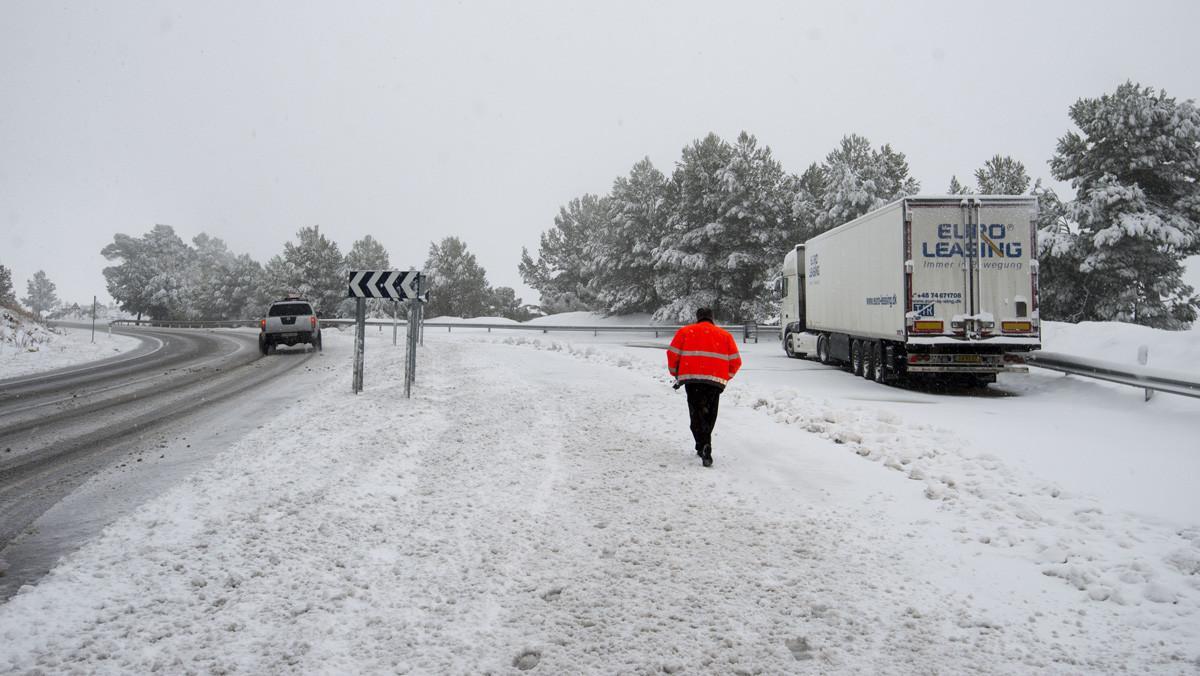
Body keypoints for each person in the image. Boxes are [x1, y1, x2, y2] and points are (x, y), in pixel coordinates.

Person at [666, 307, 742, 467]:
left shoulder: (685, 332)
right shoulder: (725, 336)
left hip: (692, 380)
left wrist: (676, 373)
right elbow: (736, 361)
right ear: (712, 317)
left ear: (697, 317)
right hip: (714, 382)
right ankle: (705, 442)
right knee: (710, 414)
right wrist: (724, 376)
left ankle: (702, 444)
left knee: (696, 413)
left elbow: (672, 354)